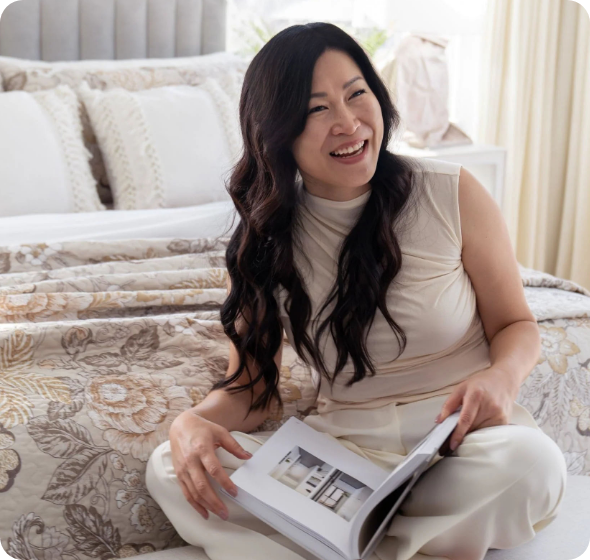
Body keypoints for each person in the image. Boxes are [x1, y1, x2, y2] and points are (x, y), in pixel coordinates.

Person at [145, 22, 567, 560]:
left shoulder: (450, 192)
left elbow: (516, 324)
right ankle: (399, 539)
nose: (347, 123)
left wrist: (500, 378)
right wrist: (192, 423)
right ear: (278, 132)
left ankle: (342, 542)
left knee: (532, 467)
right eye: (317, 109)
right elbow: (250, 392)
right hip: (343, 455)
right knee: (169, 468)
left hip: (459, 444)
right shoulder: (264, 242)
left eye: (356, 94)